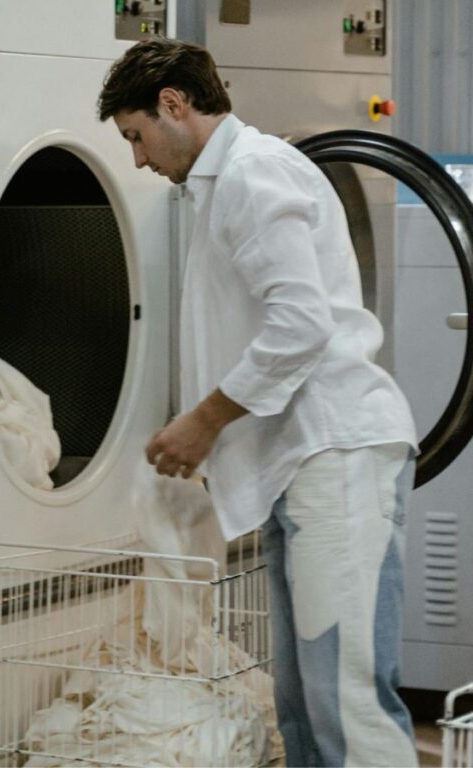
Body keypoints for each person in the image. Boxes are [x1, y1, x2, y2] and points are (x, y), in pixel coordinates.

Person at [98, 38, 419, 767]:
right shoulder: (223, 185)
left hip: (333, 454)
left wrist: (203, 424)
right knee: (303, 703)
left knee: (349, 702)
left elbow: (298, 325)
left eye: (136, 136)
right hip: (299, 465)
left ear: (174, 105)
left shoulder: (253, 173)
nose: (139, 160)